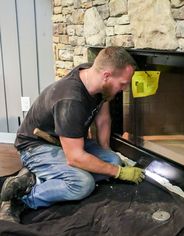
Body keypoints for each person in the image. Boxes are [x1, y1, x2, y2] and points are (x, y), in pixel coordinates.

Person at [0, 46, 144, 223]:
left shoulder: (93, 74)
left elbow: (103, 118)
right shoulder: (71, 100)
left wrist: (107, 154)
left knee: (112, 161)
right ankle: (21, 199)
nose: (123, 89)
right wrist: (119, 172)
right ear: (106, 76)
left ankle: (36, 176)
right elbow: (75, 157)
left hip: (66, 141)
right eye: (122, 84)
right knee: (82, 184)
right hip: (36, 146)